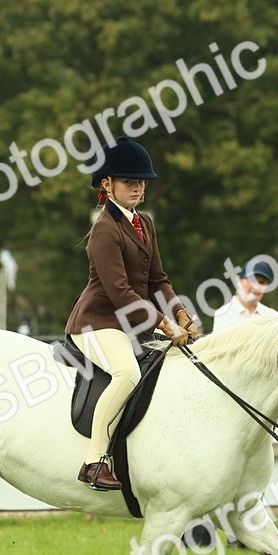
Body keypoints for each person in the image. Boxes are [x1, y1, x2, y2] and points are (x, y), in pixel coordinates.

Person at [65, 136, 197, 491]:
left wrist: (181, 313)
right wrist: (165, 324)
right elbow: (121, 293)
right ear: (107, 185)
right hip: (98, 322)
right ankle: (94, 461)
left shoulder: (144, 224)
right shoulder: (104, 230)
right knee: (127, 374)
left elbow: (157, 280)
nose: (138, 187)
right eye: (129, 181)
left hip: (132, 324)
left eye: (141, 181)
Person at [212, 260, 278, 332]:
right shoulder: (223, 315)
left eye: (261, 282)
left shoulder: (273, 316)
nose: (256, 286)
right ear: (239, 281)